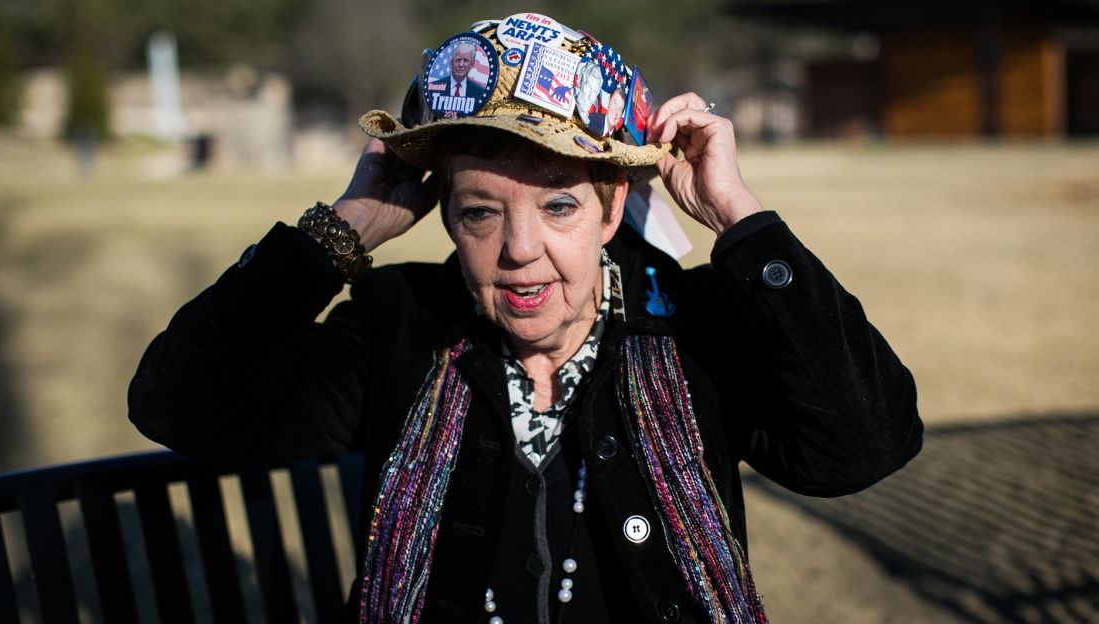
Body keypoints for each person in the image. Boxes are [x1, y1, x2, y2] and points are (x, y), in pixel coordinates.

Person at [129, 15, 921, 624]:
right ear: (445, 218)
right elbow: (183, 399)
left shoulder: (690, 324)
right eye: (479, 212)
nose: (519, 250)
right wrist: (346, 227)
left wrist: (739, 219)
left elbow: (863, 444)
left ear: (613, 209)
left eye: (559, 204)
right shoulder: (400, 325)